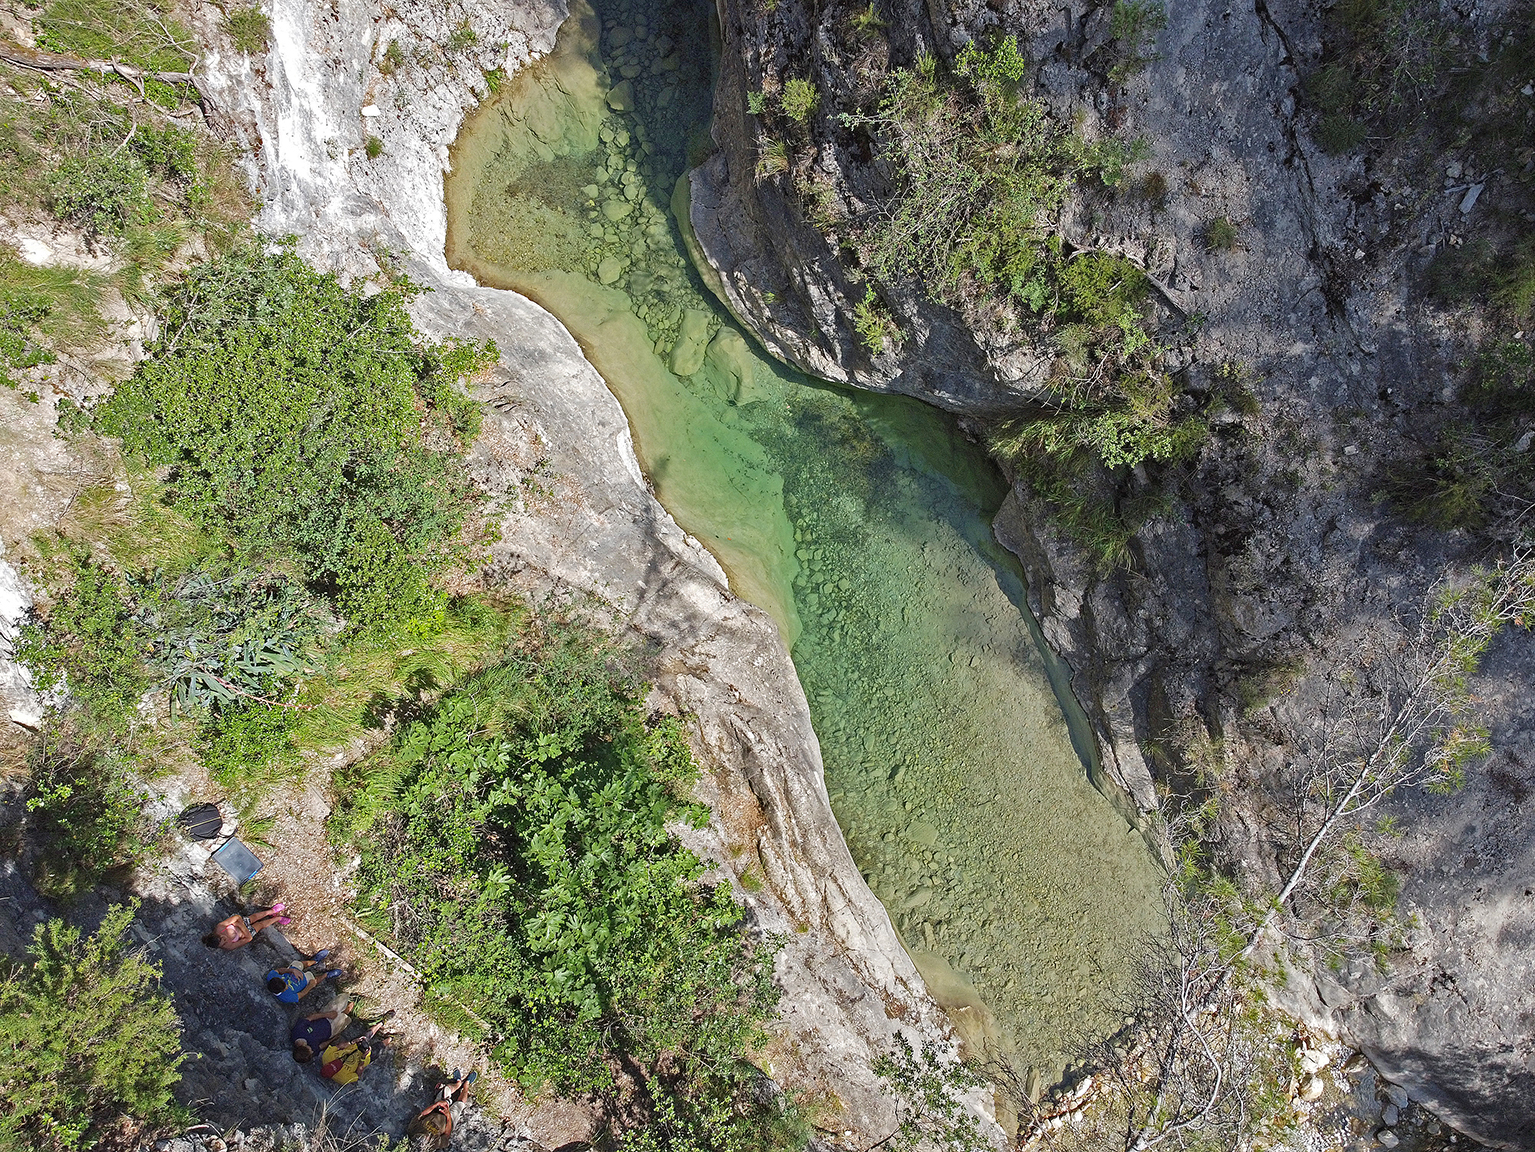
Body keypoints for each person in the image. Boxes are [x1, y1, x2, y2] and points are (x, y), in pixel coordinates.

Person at [290, 999, 382, 1063]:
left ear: (302, 1047)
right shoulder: (310, 1053)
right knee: (345, 1015)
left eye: (309, 1050)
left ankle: (352, 997)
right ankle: (356, 1002)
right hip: (331, 1031)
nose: (312, 1050)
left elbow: (310, 1018)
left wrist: (327, 1014)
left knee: (341, 1000)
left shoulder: (297, 1032)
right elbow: (321, 1046)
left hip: (324, 1018)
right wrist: (333, 1039)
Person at [406, 1070, 478, 1148]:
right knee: (460, 1104)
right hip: (448, 1121)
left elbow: (422, 1114)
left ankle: (458, 1083)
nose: (427, 1136)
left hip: (436, 1111)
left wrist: (436, 1104)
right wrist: (448, 1116)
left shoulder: (412, 1130)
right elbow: (447, 1134)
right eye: (427, 1138)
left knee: (446, 1090)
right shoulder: (434, 1144)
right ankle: (466, 1085)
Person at [318, 1017, 394, 1086]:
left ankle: (381, 1023)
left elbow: (338, 1046)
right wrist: (363, 1059)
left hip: (353, 1047)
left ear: (327, 1063)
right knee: (379, 1048)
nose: (340, 1061)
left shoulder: (326, 1057)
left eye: (337, 1061)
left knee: (366, 1035)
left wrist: (351, 1042)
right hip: (362, 1058)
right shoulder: (343, 1078)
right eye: (340, 1064)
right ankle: (390, 1038)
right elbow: (358, 1075)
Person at [265, 950, 343, 1004]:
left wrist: (291, 971)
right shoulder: (286, 998)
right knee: (313, 980)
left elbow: (278, 970)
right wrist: (310, 986)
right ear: (281, 991)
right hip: (304, 982)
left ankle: (314, 961)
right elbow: (301, 994)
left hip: (293, 973)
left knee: (298, 964)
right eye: (286, 987)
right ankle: (326, 975)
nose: (287, 986)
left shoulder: (271, 977)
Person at [202, 904, 288, 950]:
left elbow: (236, 917)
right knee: (260, 925)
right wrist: (240, 926)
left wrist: (240, 924)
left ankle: (272, 911)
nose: (225, 940)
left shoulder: (220, 927)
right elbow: (248, 939)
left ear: (218, 934)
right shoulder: (229, 946)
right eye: (223, 943)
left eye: (223, 938)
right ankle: (278, 918)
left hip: (241, 923)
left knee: (254, 917)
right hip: (245, 931)